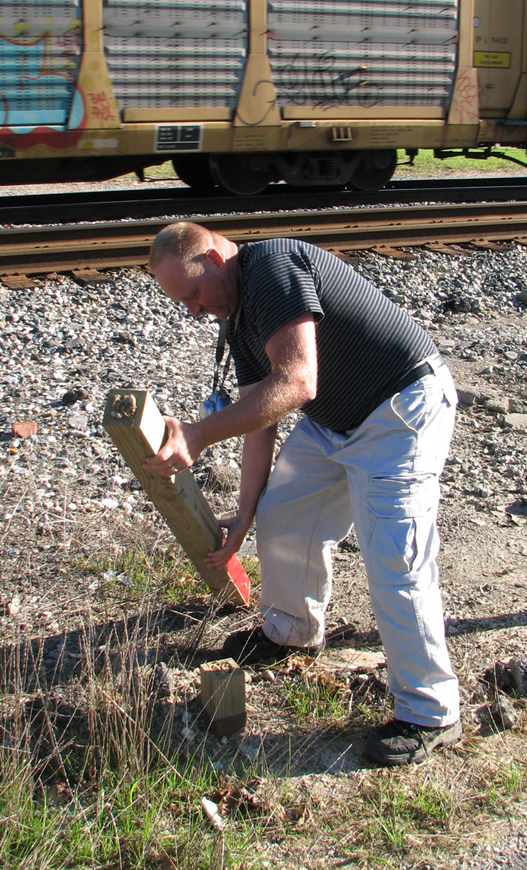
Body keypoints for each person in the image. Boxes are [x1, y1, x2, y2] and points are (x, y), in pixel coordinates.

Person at [143, 220, 461, 766]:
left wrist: (195, 434)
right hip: (332, 423)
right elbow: (260, 417)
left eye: (193, 294)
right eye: (183, 303)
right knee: (284, 516)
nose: (193, 310)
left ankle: (431, 711)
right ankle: (290, 631)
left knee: (394, 558)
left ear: (216, 259)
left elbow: (296, 382)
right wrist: (246, 514)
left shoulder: (273, 269)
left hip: (399, 411)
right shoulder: (238, 313)